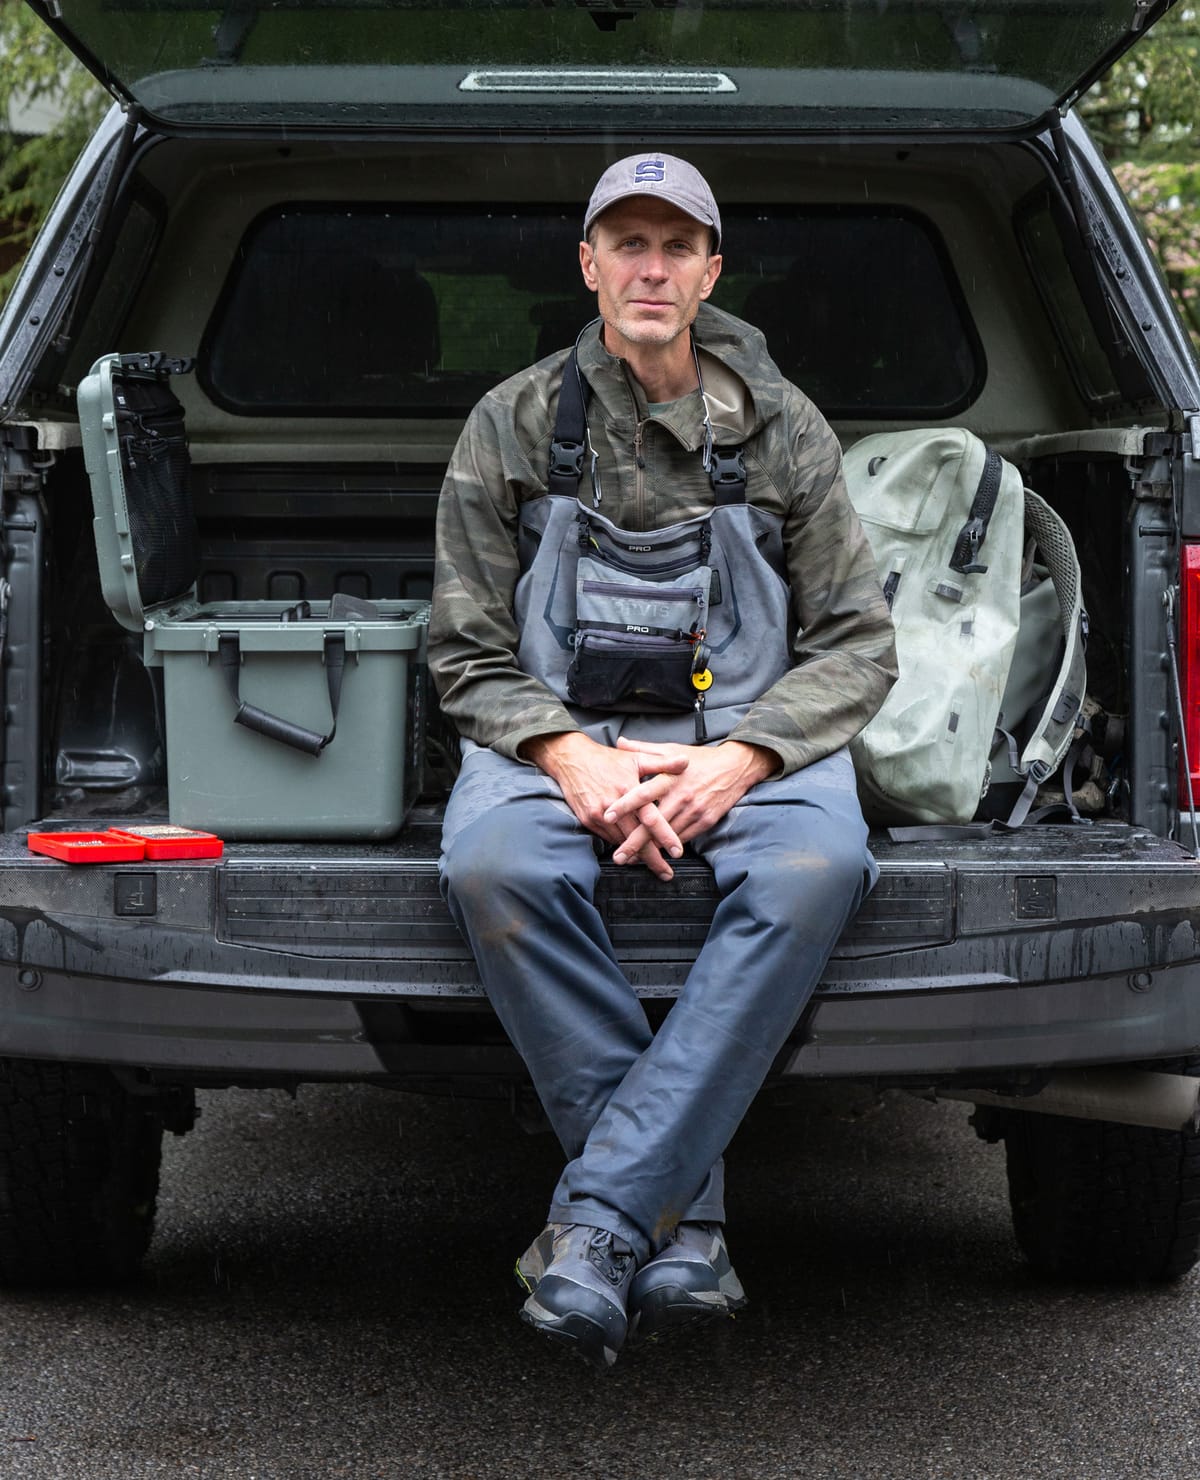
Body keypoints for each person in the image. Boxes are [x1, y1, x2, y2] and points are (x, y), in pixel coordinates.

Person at [429, 153, 897, 1370]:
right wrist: (568, 756)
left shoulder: (786, 426)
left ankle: (596, 1224)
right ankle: (677, 1225)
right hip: (558, 739)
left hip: (747, 740)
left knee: (814, 868)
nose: (650, 266)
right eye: (626, 243)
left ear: (709, 274)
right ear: (588, 268)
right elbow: (465, 647)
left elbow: (856, 644)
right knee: (492, 863)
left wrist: (743, 759)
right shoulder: (514, 420)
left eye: (675, 246)